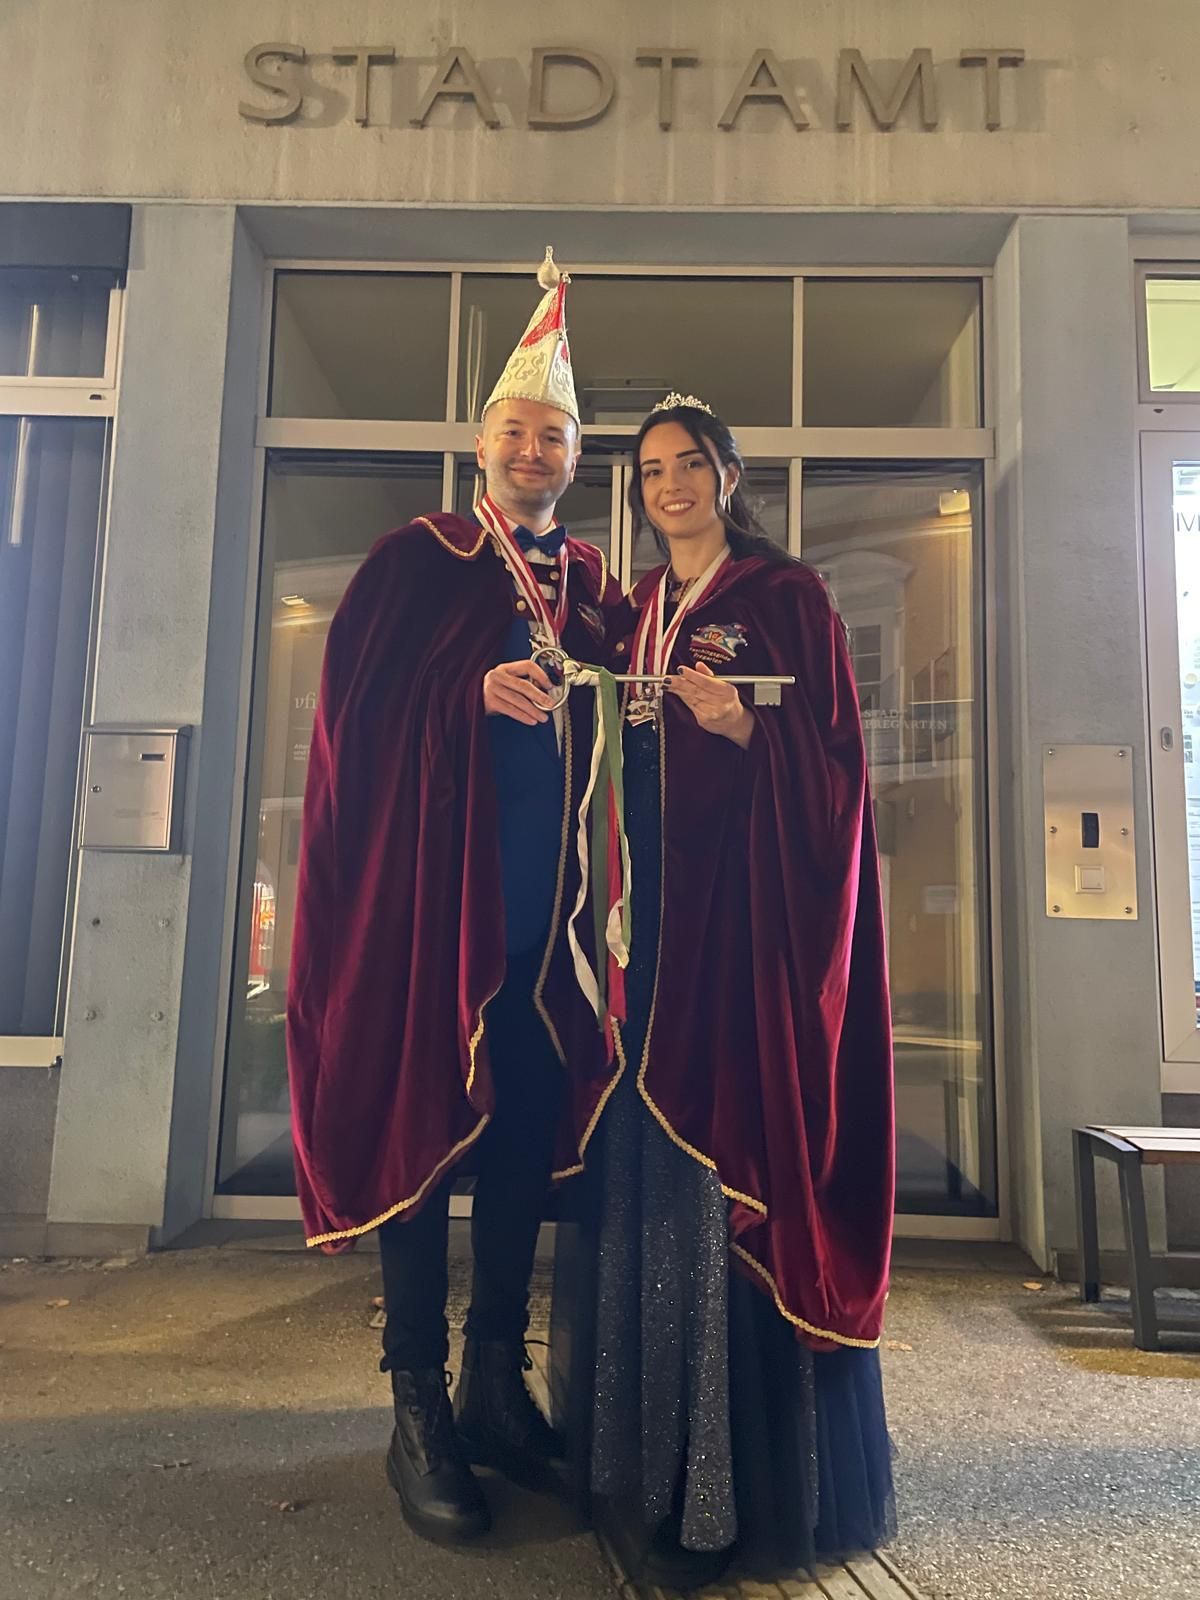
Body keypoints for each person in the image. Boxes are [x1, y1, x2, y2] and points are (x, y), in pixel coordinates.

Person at [286, 251, 623, 1547]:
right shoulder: (412, 565)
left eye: (555, 436)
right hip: (436, 931)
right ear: (480, 447)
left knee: (525, 1150)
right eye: (518, 431)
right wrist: (461, 696)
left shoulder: (589, 585)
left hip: (551, 949)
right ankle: (415, 1404)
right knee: (428, 1147)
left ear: (574, 459)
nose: (535, 452)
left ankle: (495, 1379)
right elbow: (347, 729)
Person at [551, 394, 896, 1587]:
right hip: (646, 962)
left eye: (691, 463)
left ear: (731, 474)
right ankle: (644, 1472)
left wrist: (751, 733)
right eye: (651, 471)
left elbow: (843, 777)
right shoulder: (638, 615)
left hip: (742, 958)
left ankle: (728, 1496)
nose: (671, 485)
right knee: (645, 1201)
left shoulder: (786, 600)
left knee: (719, 1189)